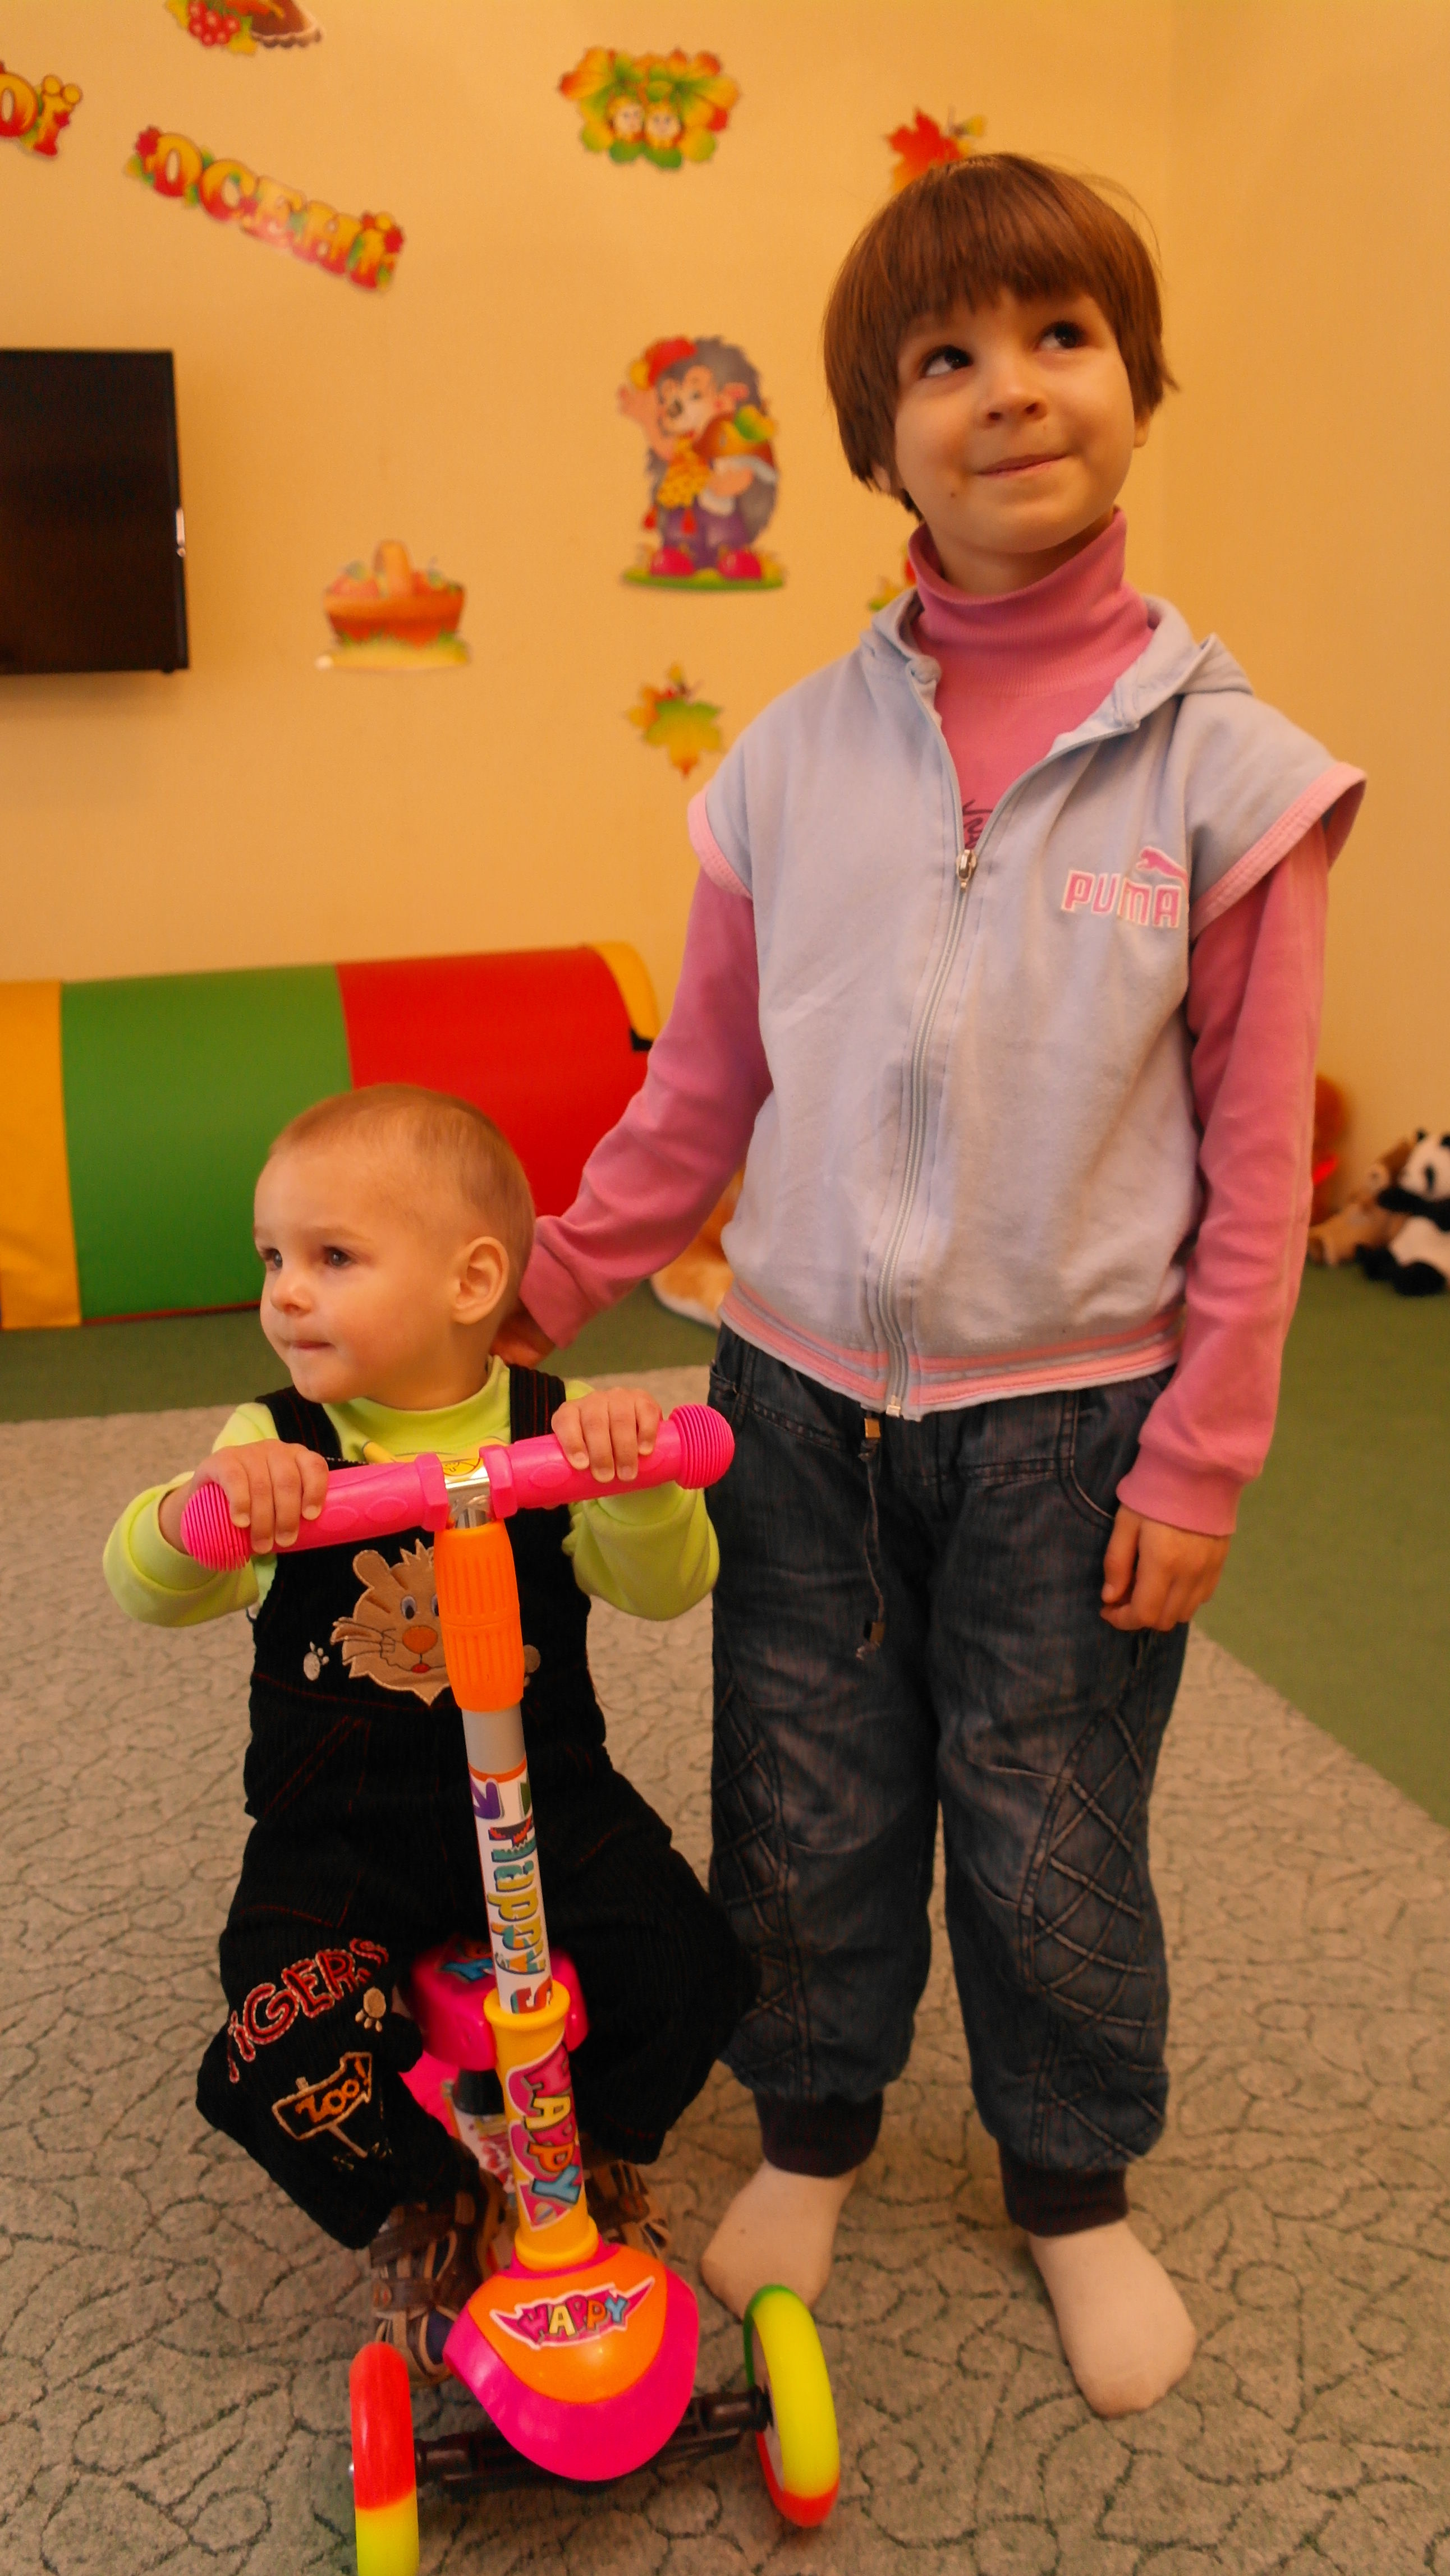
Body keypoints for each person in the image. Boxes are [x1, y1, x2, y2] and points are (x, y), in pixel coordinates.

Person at [497, 155, 1365, 2417]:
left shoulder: (1231, 773)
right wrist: (555, 1280)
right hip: (789, 1393)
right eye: (945, 357)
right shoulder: (785, 763)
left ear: (1137, 380)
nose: (1010, 390)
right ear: (877, 439)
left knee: (1051, 1814)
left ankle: (1070, 2181)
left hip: (1076, 1425)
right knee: (801, 1789)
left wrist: (1205, 1449)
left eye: (1060, 337)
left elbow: (1259, 1159)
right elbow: (701, 1084)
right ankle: (813, 2125)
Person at [103, 1083, 749, 2379]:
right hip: (339, 1828)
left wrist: (629, 1480)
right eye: (272, 1258)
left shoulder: (553, 1422)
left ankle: (591, 2148)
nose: (285, 1293)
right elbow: (145, 1581)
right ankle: (424, 2196)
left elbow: (670, 1584)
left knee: (693, 1959)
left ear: (472, 1282)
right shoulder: (277, 1441)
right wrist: (201, 1508)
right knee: (275, 2032)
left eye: (332, 1258)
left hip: (543, 1802)